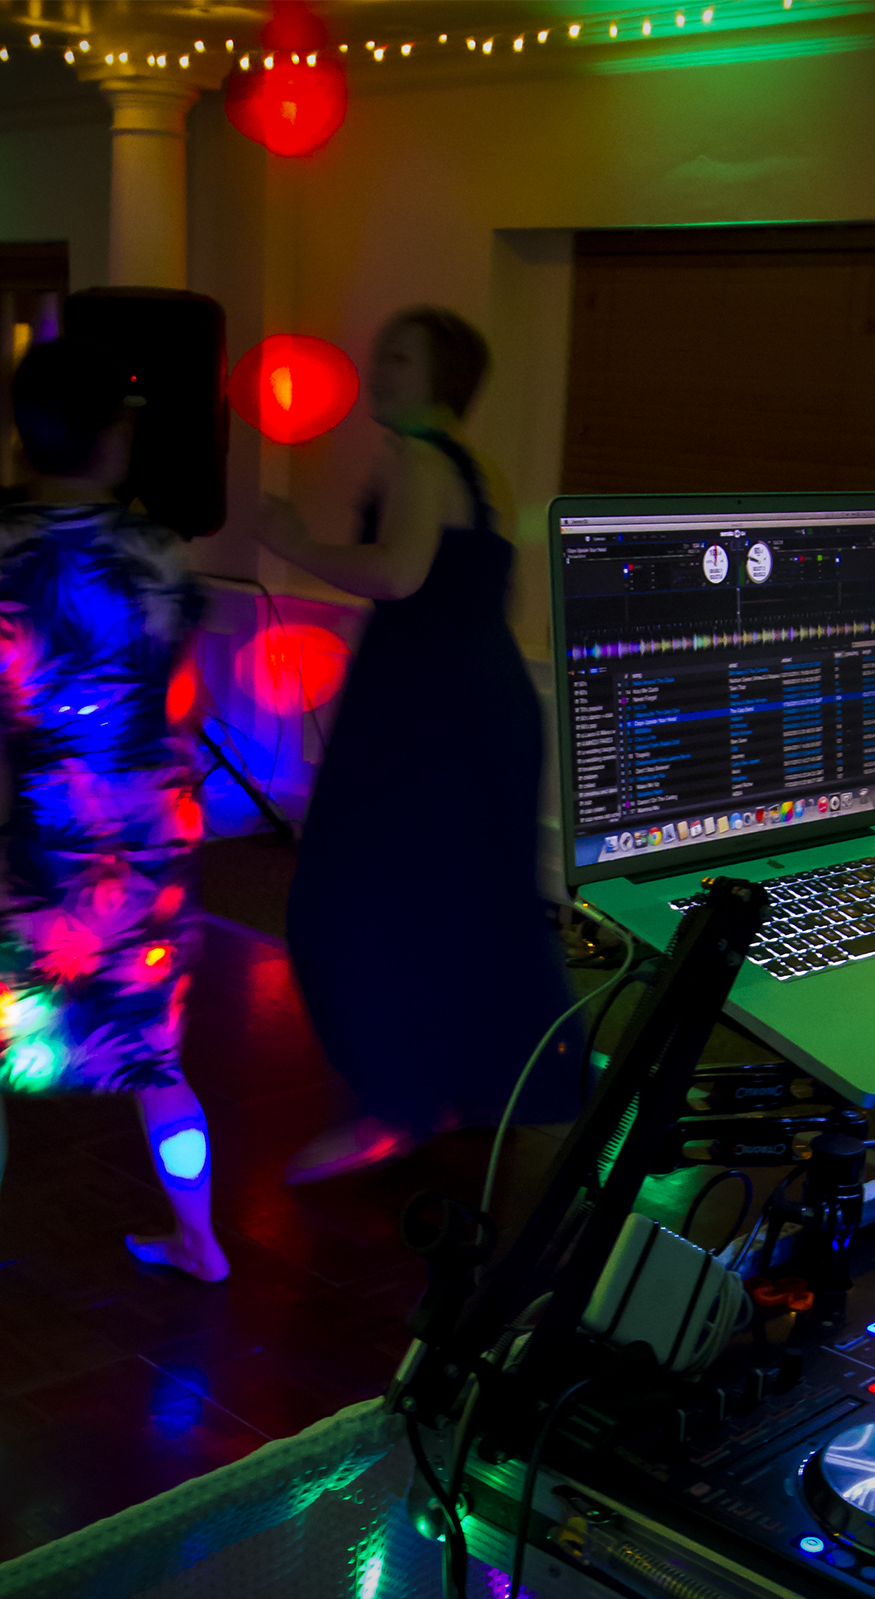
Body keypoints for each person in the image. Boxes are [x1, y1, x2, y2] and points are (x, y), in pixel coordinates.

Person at [0, 338, 225, 1343]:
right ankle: (200, 1239)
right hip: (155, 833)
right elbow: (185, 707)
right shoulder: (163, 549)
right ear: (110, 436)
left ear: (27, 433)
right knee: (153, 1051)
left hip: (53, 843)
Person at [253, 306, 581, 1184]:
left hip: (423, 704)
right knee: (461, 902)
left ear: (443, 376)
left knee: (343, 900)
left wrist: (296, 542)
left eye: (400, 356)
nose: (378, 366)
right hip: (486, 699)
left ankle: (390, 1106)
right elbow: (489, 590)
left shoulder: (420, 461)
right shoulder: (479, 468)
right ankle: (451, 1090)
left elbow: (399, 574)